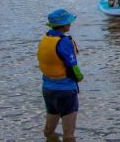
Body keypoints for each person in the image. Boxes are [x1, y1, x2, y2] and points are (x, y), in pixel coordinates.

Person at [37, 8, 83, 142]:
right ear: (63, 25)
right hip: (66, 91)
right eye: (68, 22)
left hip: (48, 89)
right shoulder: (64, 42)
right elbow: (73, 66)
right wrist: (80, 77)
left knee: (49, 131)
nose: (70, 24)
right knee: (69, 135)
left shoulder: (45, 38)